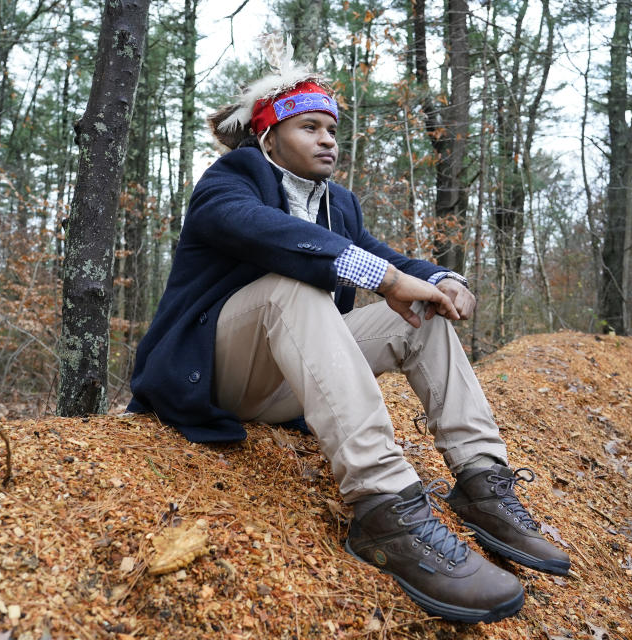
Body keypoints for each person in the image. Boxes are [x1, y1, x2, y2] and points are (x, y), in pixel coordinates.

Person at [128, 46, 569, 624]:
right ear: (267, 137)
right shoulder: (230, 180)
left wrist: (439, 278)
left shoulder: (338, 204)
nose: (327, 139)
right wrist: (382, 277)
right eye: (308, 126)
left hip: (284, 382)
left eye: (332, 128)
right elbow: (261, 231)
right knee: (294, 287)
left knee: (422, 314)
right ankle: (385, 509)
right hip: (212, 375)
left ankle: (482, 481)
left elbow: (380, 255)